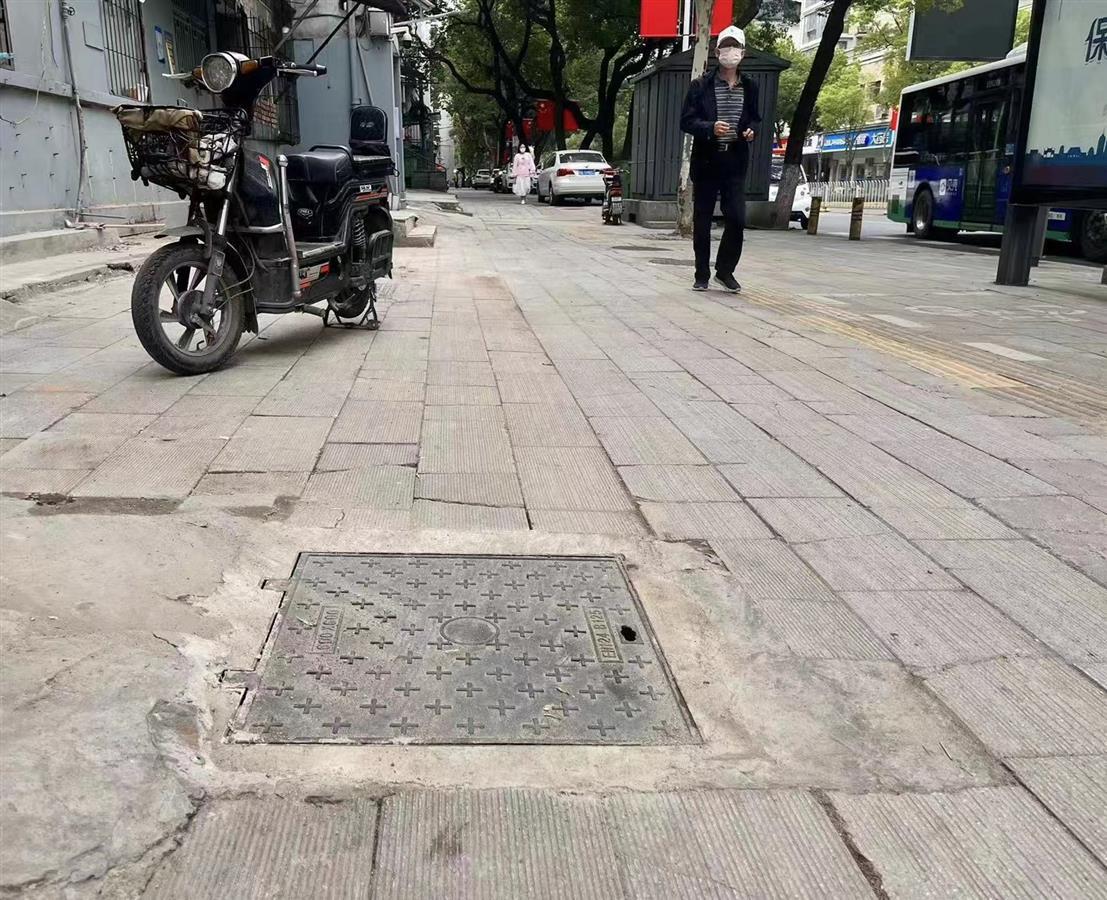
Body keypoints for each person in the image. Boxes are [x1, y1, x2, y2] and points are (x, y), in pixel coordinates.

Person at [679, 25, 760, 292]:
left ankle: (725, 271)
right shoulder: (700, 86)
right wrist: (710, 127)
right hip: (707, 160)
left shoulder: (750, 87)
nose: (730, 52)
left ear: (743, 53)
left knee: (736, 218)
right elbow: (686, 121)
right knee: (703, 219)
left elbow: (754, 119)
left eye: (735, 47)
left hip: (735, 161)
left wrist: (751, 131)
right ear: (717, 52)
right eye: (726, 47)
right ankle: (701, 273)